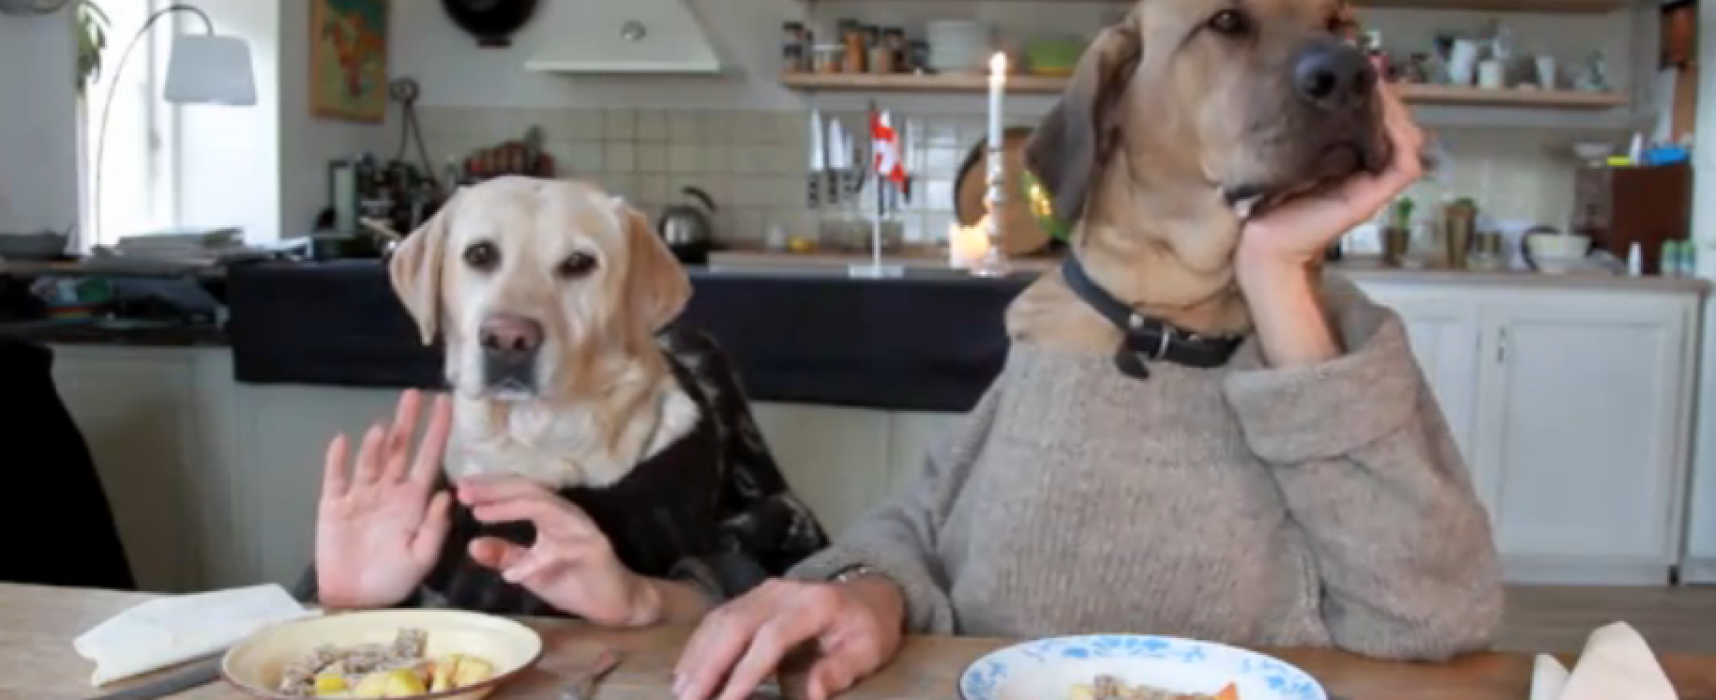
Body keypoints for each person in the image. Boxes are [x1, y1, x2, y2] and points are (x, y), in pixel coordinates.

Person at [670, 90, 1503, 700]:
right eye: (1227, 23)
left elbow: (1432, 616)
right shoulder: (1068, 328)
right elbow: (932, 512)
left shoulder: (1342, 342)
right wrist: (867, 587)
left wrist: (1277, 277)